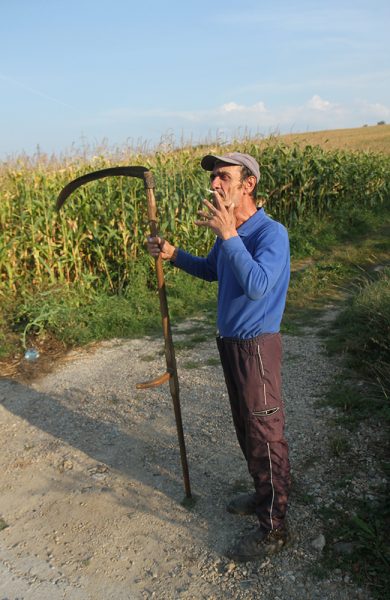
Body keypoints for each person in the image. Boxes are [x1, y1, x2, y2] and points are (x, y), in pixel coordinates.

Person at [147, 152, 291, 562]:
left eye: (223, 177)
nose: (214, 185)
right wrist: (174, 254)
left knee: (266, 435)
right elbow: (214, 270)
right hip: (230, 345)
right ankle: (263, 493)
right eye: (213, 178)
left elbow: (259, 286)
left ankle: (275, 528)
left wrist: (229, 236)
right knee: (246, 430)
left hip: (256, 349)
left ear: (248, 185)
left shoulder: (269, 234)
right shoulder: (230, 232)